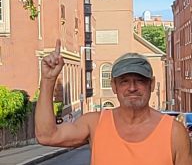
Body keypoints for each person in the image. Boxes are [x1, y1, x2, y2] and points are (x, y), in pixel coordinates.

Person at [35, 39, 192, 165]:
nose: (132, 88)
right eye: (124, 81)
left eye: (140, 81)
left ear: (151, 84)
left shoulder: (174, 132)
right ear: (114, 86)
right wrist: (48, 80)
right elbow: (46, 136)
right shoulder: (95, 123)